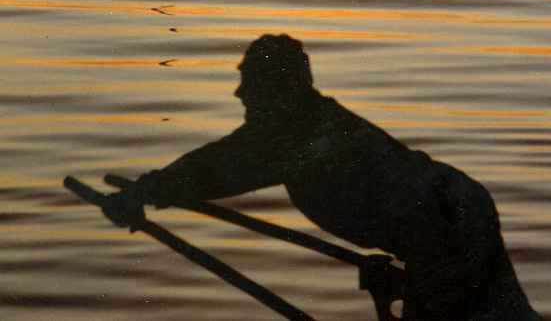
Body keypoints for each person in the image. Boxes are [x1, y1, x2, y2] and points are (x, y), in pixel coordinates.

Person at [103, 34, 542, 321]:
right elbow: (225, 160)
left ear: (278, 89)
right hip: (457, 209)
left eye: (249, 81)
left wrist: (146, 191)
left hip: (444, 225)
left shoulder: (300, 133)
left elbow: (217, 167)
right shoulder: (308, 121)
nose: (239, 93)